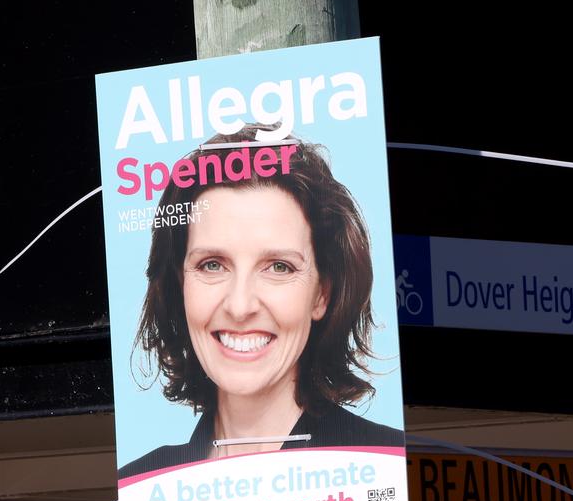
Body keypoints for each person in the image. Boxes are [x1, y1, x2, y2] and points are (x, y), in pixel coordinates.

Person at [118, 123, 401, 479]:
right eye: (212, 264)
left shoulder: (385, 467)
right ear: (180, 284)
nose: (240, 306)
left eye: (279, 267)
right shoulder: (141, 485)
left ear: (322, 293)